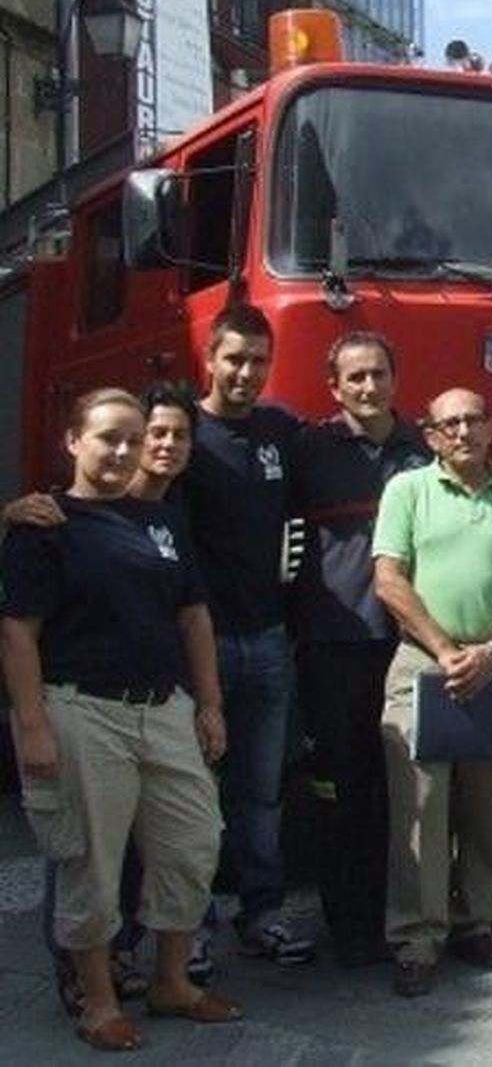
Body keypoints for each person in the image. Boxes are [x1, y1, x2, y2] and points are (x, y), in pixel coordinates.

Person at [0, 389, 241, 1052]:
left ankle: (172, 980)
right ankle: (98, 1001)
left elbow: (194, 615)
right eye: (108, 437)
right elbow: (17, 632)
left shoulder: (163, 522)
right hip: (83, 711)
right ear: (72, 441)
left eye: (133, 439)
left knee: (195, 844)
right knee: (92, 864)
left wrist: (210, 703)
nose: (124, 451)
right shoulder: (43, 524)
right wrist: (32, 726)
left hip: (165, 708)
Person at [372, 387, 492, 997]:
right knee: (421, 807)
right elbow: (389, 579)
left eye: (475, 418)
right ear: (431, 435)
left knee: (489, 806)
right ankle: (418, 939)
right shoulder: (407, 491)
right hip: (425, 661)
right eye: (450, 423)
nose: (464, 431)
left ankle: (475, 923)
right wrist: (446, 650)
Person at [289, 332, 431, 967]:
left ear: (396, 380)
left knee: (402, 785)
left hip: (407, 644)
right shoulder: (309, 451)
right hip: (334, 642)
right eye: (355, 378)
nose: (368, 387)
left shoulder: (424, 450)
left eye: (378, 374)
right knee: (339, 786)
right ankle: (347, 925)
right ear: (335, 387)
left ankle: (404, 916)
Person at [184, 304, 314, 965]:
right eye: (234, 359)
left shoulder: (280, 430)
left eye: (258, 361)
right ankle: (194, 924)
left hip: (267, 641)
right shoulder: (180, 433)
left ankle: (261, 913)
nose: (245, 372)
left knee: (261, 795)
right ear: (210, 358)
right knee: (193, 798)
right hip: (198, 648)